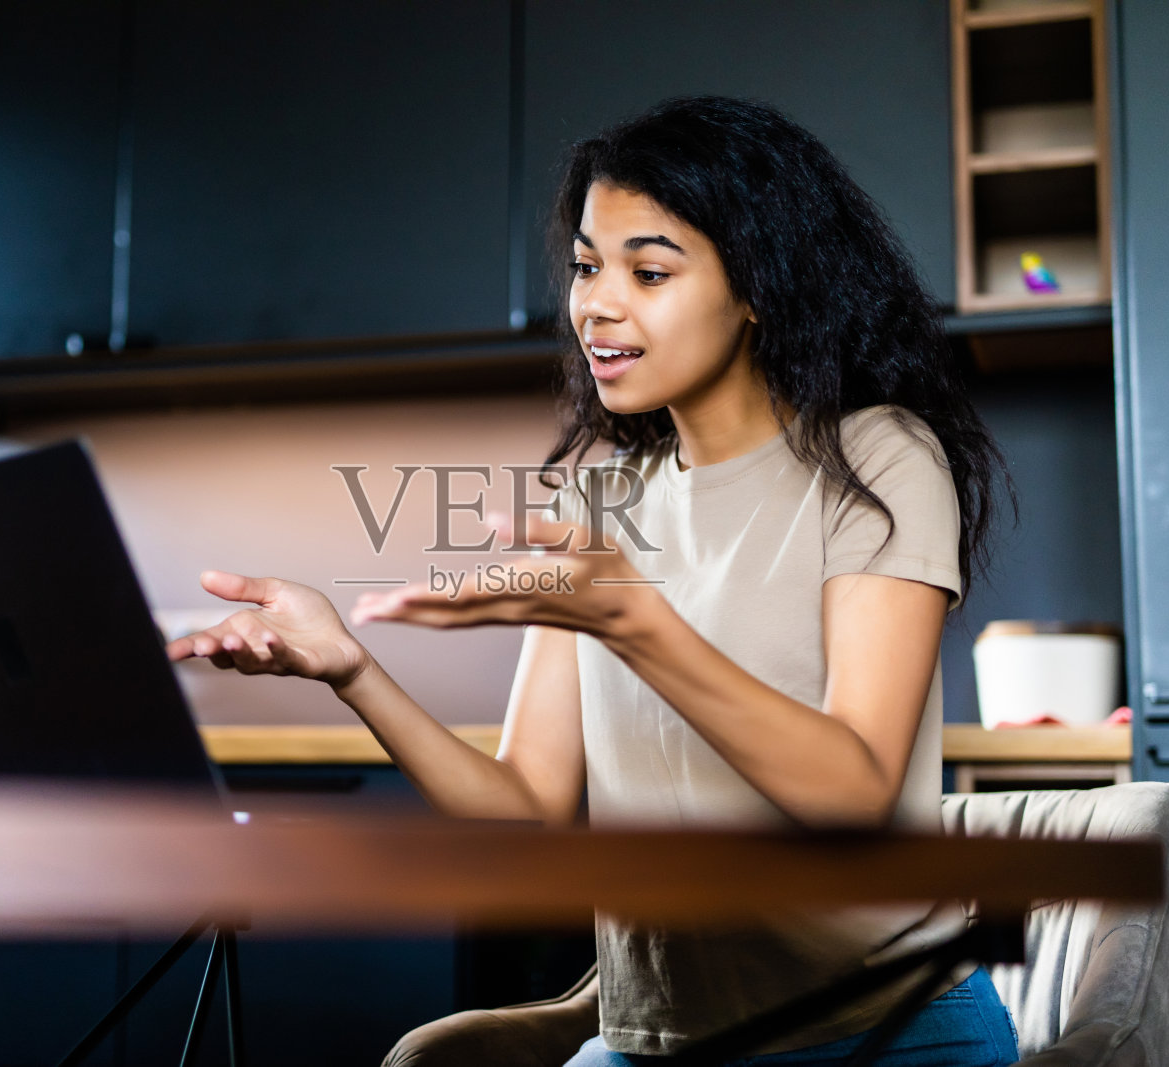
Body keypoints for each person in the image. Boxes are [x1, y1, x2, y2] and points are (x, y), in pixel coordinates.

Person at [167, 95, 1019, 1066]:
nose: (596, 304)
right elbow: (522, 801)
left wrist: (635, 621)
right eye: (585, 265)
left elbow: (854, 792)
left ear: (758, 288)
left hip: (880, 1029)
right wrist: (349, 668)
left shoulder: (877, 459)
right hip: (660, 1036)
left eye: (648, 270)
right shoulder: (606, 493)